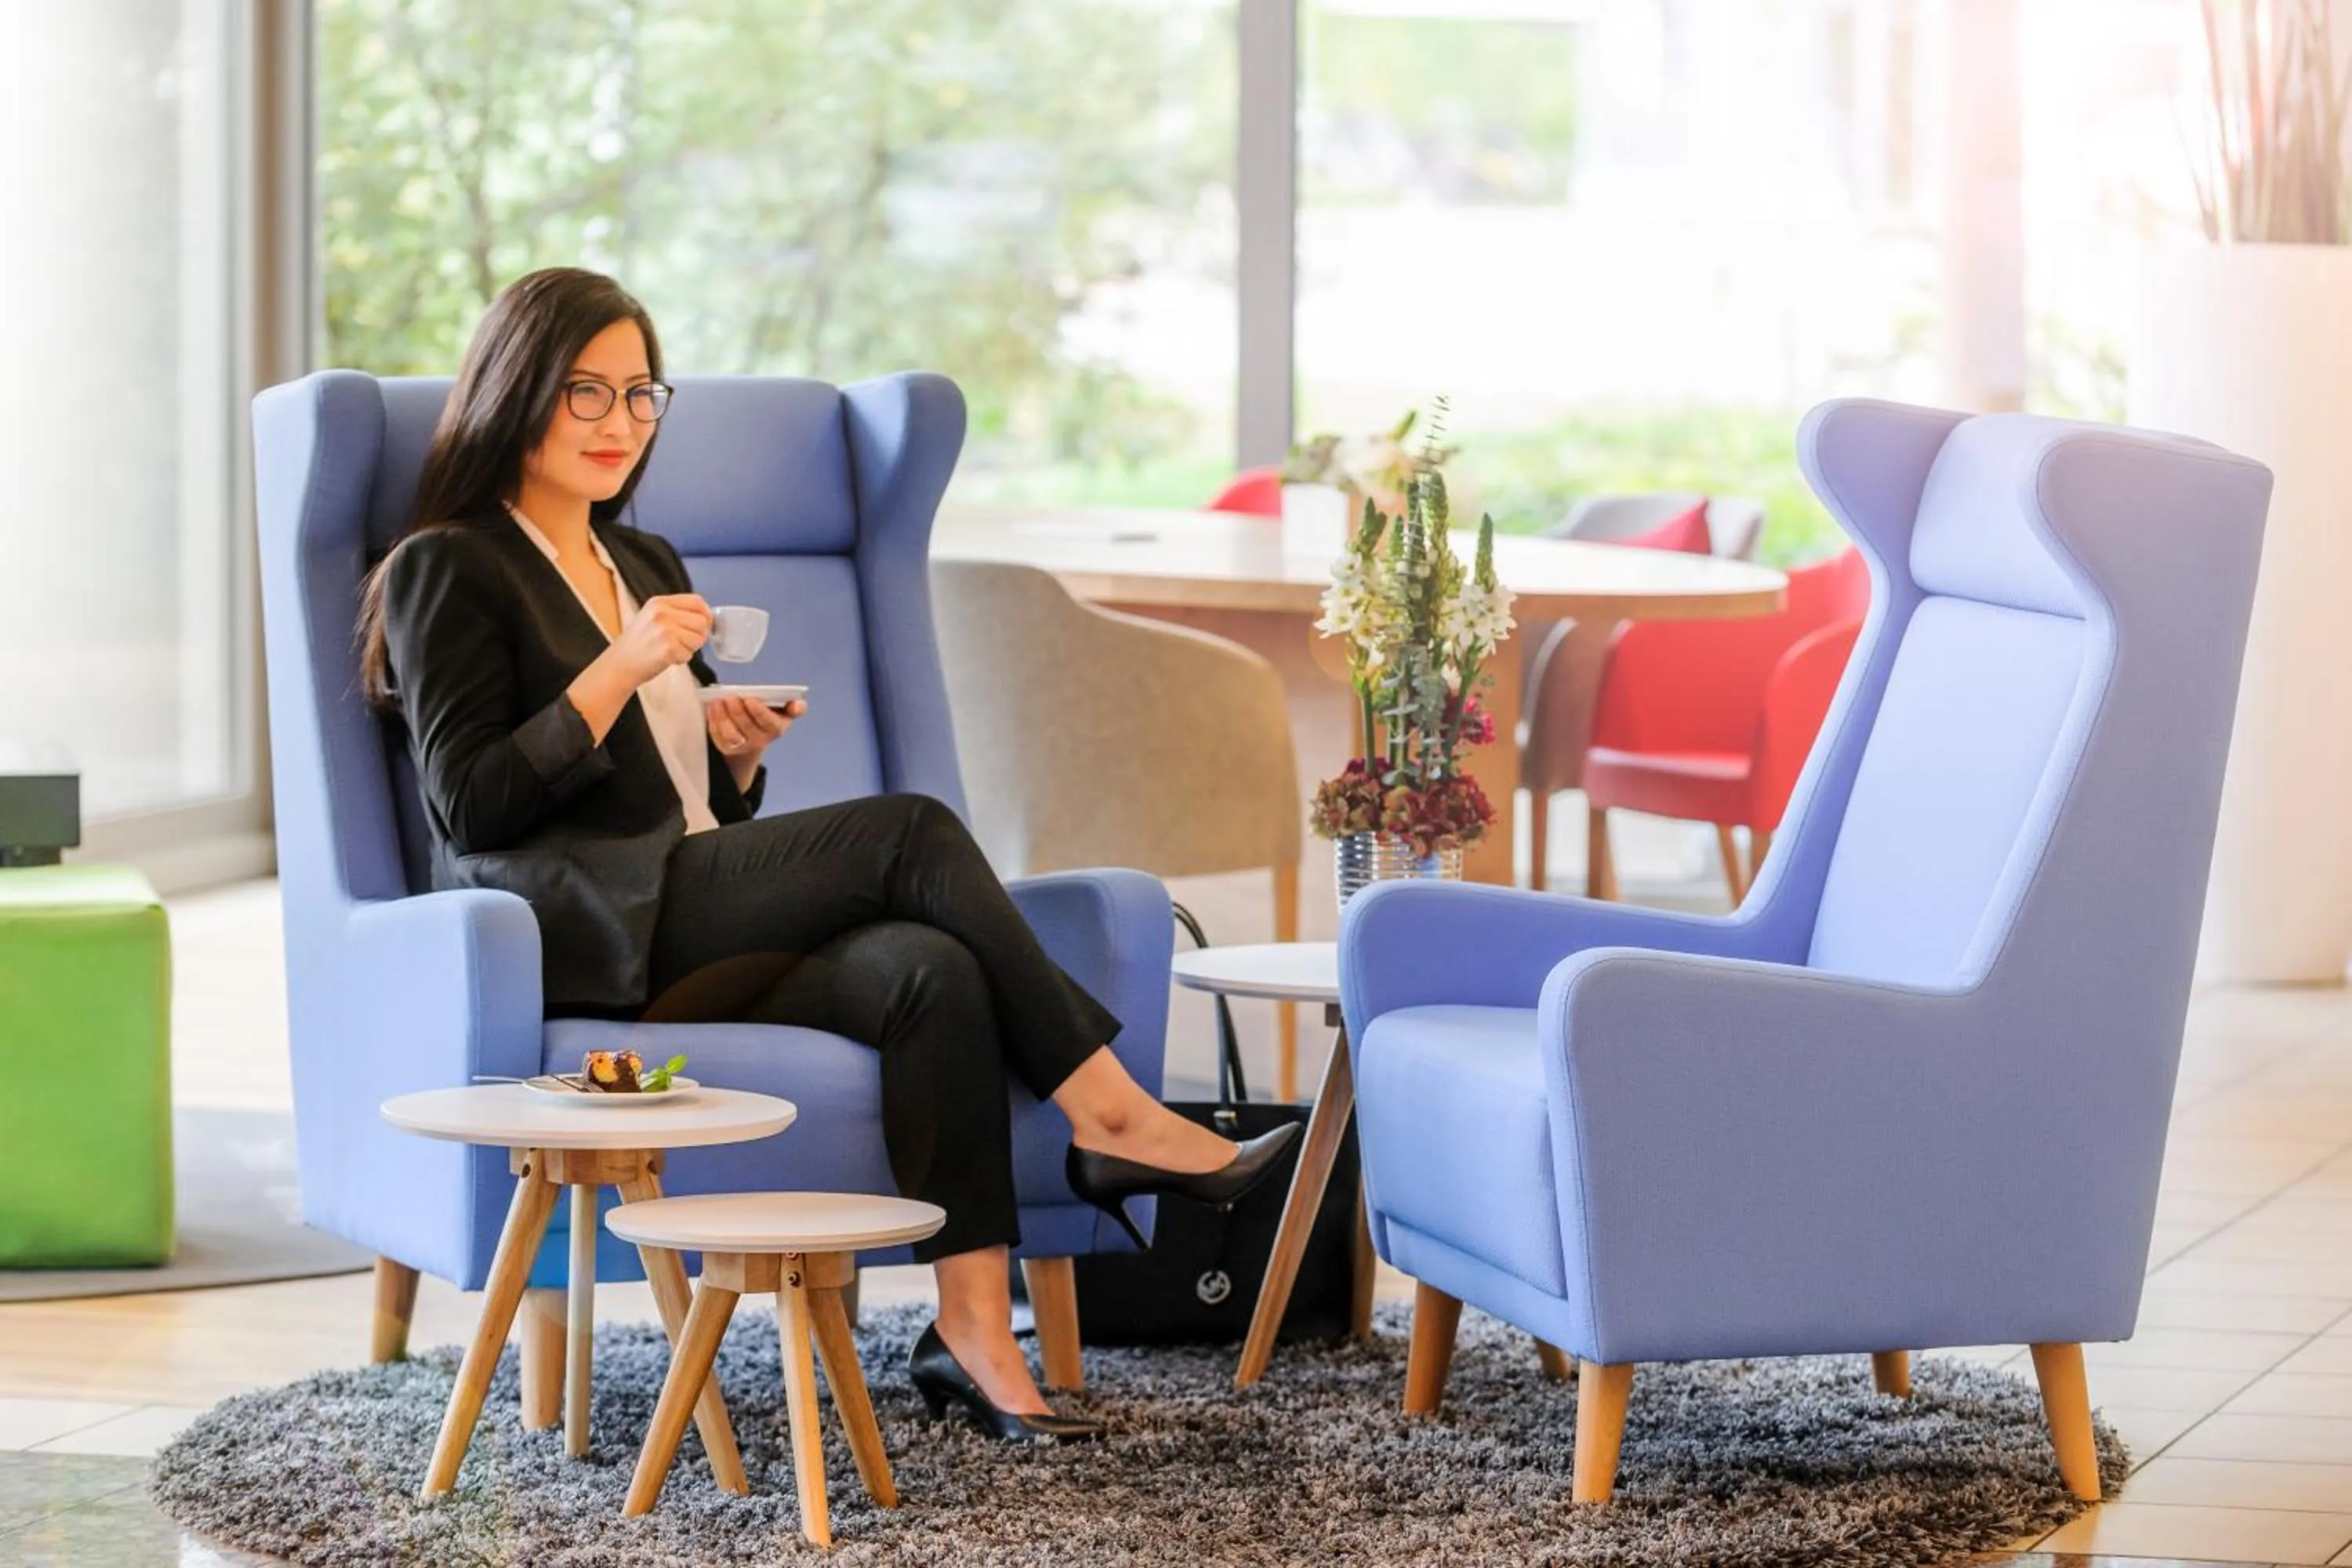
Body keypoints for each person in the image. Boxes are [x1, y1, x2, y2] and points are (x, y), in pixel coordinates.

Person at [355, 266, 1297, 1443]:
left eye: (642, 395)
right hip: (581, 930)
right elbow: (474, 804)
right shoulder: (448, 564)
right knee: (907, 829)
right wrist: (621, 669)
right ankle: (1110, 1111)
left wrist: (734, 753)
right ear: (515, 391)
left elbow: (698, 825)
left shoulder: (643, 564)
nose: (618, 424)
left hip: (684, 907)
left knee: (926, 971)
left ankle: (972, 1334)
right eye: (585, 393)